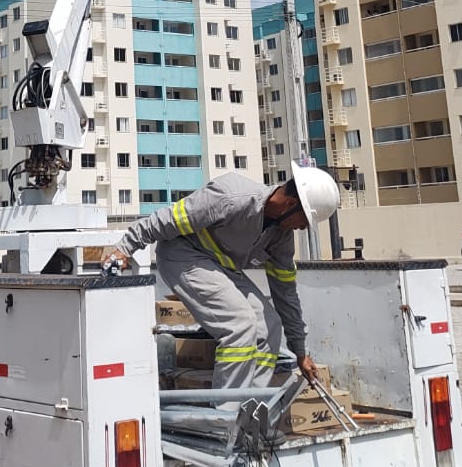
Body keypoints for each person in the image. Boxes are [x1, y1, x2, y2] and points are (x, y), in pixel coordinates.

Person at [102, 166, 341, 389]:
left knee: (269, 327)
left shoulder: (281, 238)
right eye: (304, 221)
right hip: (184, 256)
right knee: (240, 325)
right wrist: (125, 247)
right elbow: (167, 219)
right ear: (289, 203)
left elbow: (286, 293)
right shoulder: (231, 197)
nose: (301, 228)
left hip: (221, 267)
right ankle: (226, 418)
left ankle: (253, 411)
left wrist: (300, 351)